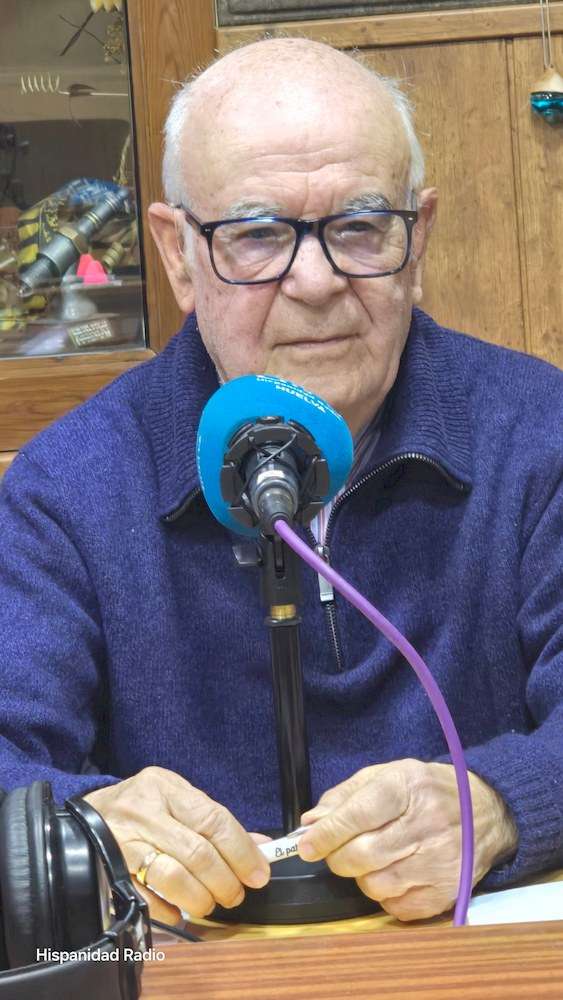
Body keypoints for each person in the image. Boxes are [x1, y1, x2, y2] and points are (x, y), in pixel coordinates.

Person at [0, 37, 562, 925]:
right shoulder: (66, 490)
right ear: (177, 255)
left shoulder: (540, 434)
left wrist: (500, 801)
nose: (316, 280)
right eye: (258, 235)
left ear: (418, 240)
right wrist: (84, 827)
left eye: (359, 227)